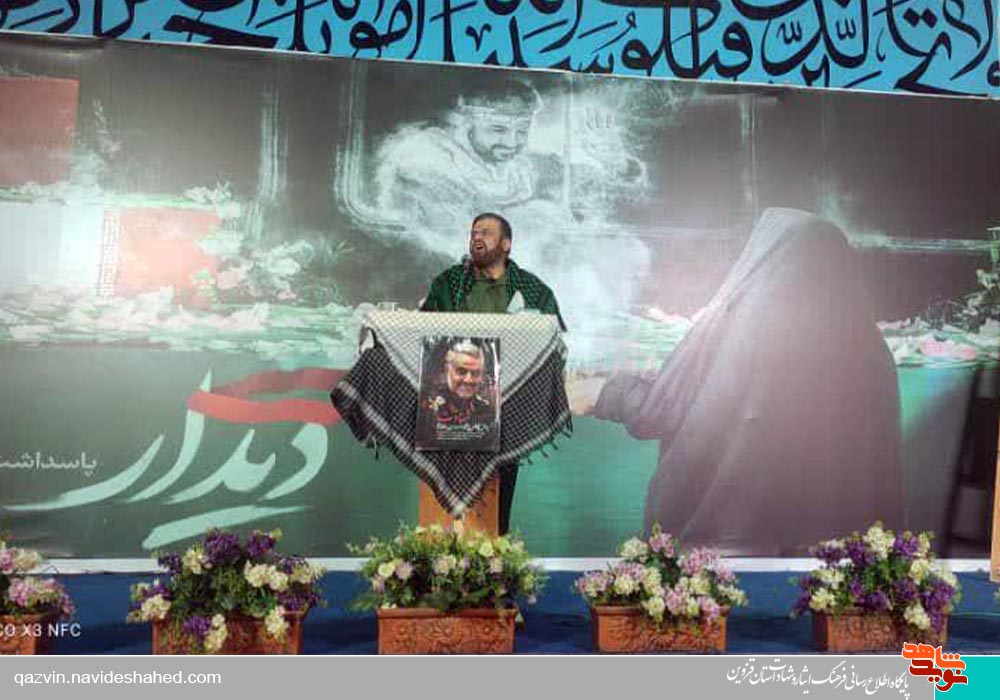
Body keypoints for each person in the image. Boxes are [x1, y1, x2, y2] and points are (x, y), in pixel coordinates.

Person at [583, 208, 905, 555]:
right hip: (835, 551)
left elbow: (662, 411)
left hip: (731, 542)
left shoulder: (741, 330)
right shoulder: (872, 349)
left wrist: (607, 393)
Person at [421, 212, 565, 533]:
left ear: (506, 244)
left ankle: (492, 550)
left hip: (507, 406)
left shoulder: (532, 289)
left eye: (485, 232)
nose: (476, 237)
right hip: (447, 409)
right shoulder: (449, 283)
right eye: (473, 232)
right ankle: (440, 551)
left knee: (496, 499)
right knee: (443, 493)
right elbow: (424, 332)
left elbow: (552, 341)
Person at [416, 339, 498, 449]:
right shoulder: (425, 411)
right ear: (446, 371)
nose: (469, 380)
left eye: (475, 373)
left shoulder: (487, 412)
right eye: (461, 372)